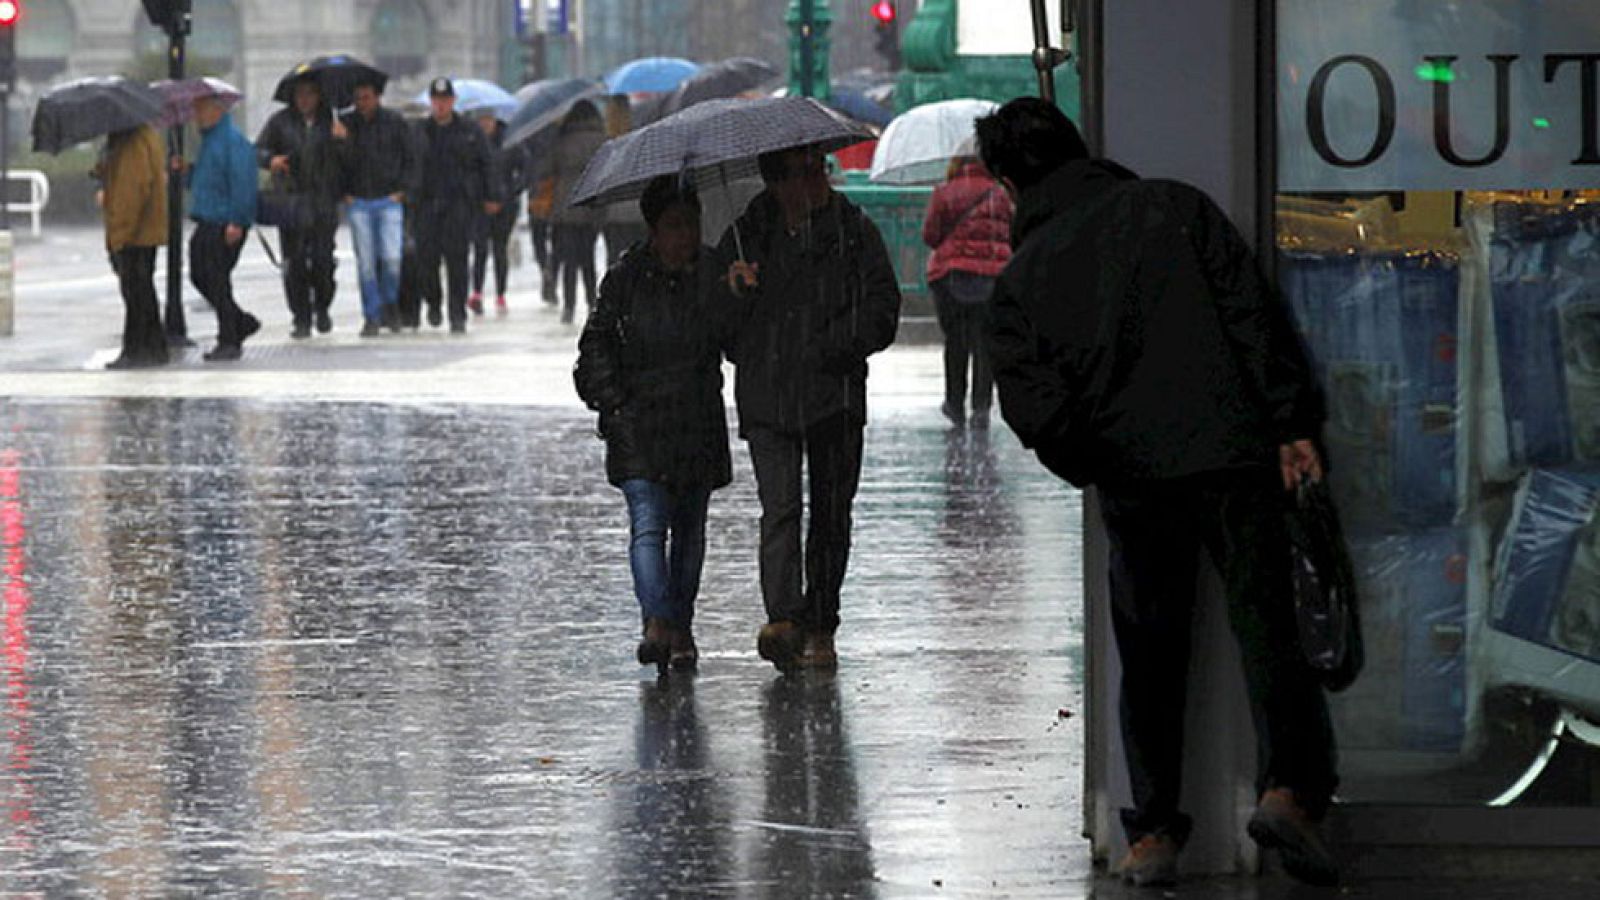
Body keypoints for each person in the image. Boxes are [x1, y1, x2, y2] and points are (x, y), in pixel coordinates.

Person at [973, 98, 1338, 888]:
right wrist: (1291, 420)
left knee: (1149, 654)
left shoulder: (1021, 281)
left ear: (1008, 183)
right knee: (1267, 625)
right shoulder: (1173, 207)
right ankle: (1289, 790)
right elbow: (1252, 315)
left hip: (1133, 478)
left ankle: (1154, 836)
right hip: (1234, 453)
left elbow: (1034, 408)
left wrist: (1101, 455)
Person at [717, 145, 901, 672]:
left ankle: (821, 624)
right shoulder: (747, 236)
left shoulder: (852, 230)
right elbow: (722, 328)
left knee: (830, 516)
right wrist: (735, 293)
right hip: (768, 395)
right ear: (777, 182)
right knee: (780, 511)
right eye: (804, 172)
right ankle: (783, 622)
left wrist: (832, 347)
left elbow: (881, 309)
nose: (818, 179)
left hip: (833, 396)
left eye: (821, 168)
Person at [574, 176, 731, 674]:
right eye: (673, 226)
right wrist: (616, 406)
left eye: (691, 225)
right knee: (648, 525)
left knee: (688, 532)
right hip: (639, 424)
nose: (684, 236)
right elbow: (594, 346)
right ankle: (657, 622)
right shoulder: (625, 279)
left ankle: (679, 625)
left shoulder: (715, 274)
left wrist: (741, 294)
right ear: (653, 229)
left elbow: (736, 341)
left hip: (696, 421)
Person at [921, 155, 1014, 429]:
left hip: (952, 276)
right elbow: (1012, 232)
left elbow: (930, 235)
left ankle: (954, 403)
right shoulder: (1000, 194)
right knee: (985, 343)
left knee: (956, 342)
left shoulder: (944, 192)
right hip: (993, 276)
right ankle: (982, 406)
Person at [256, 79, 342, 339]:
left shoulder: (332, 122)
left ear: (318, 96)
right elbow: (257, 150)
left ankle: (323, 307)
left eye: (309, 94)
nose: (304, 99)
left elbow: (347, 161)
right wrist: (270, 160)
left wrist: (342, 141)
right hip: (291, 202)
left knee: (322, 261)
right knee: (293, 264)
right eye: (299, 95)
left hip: (323, 202)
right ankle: (300, 317)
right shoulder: (279, 122)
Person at [335, 79, 418, 337]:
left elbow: (410, 158)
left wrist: (403, 191)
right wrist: (343, 192)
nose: (362, 103)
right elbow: (338, 164)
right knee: (366, 263)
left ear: (377, 97)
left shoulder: (394, 122)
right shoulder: (345, 125)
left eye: (367, 97)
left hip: (389, 200)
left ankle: (390, 302)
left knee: (392, 258)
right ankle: (371, 315)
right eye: (358, 98)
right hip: (359, 201)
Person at [413, 78, 496, 333]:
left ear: (453, 101)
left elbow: (486, 164)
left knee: (458, 262)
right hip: (426, 205)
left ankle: (457, 313)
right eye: (437, 100)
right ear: (431, 102)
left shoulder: (470, 131)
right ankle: (434, 302)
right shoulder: (419, 131)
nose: (441, 105)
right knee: (427, 261)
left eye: (445, 100)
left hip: (458, 205)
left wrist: (491, 196)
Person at [184, 95, 260, 362]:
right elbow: (206, 179)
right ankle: (240, 322)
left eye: (200, 108)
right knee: (199, 275)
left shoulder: (232, 142)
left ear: (217, 110)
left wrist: (237, 221)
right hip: (206, 219)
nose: (196, 115)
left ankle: (229, 338)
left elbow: (243, 184)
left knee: (217, 280)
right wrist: (186, 173)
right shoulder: (210, 141)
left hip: (224, 222)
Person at [102, 124, 169, 369]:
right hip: (144, 231)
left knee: (135, 291)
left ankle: (136, 349)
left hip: (136, 233)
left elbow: (133, 190)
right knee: (143, 289)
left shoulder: (132, 142)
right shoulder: (141, 136)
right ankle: (154, 346)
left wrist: (120, 234)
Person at [538, 101, 606, 324]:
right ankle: (592, 304)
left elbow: (547, 170)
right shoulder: (602, 139)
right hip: (592, 205)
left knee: (569, 260)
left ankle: (568, 307)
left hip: (566, 206)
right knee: (588, 260)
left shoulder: (562, 139)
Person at [470, 110, 527, 316]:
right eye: (481, 119)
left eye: (488, 119)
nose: (484, 123)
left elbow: (525, 170)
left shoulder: (511, 140)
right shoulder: (472, 141)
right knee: (479, 249)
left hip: (506, 205)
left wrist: (509, 193)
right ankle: (476, 292)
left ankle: (500, 294)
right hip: (480, 204)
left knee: (500, 249)